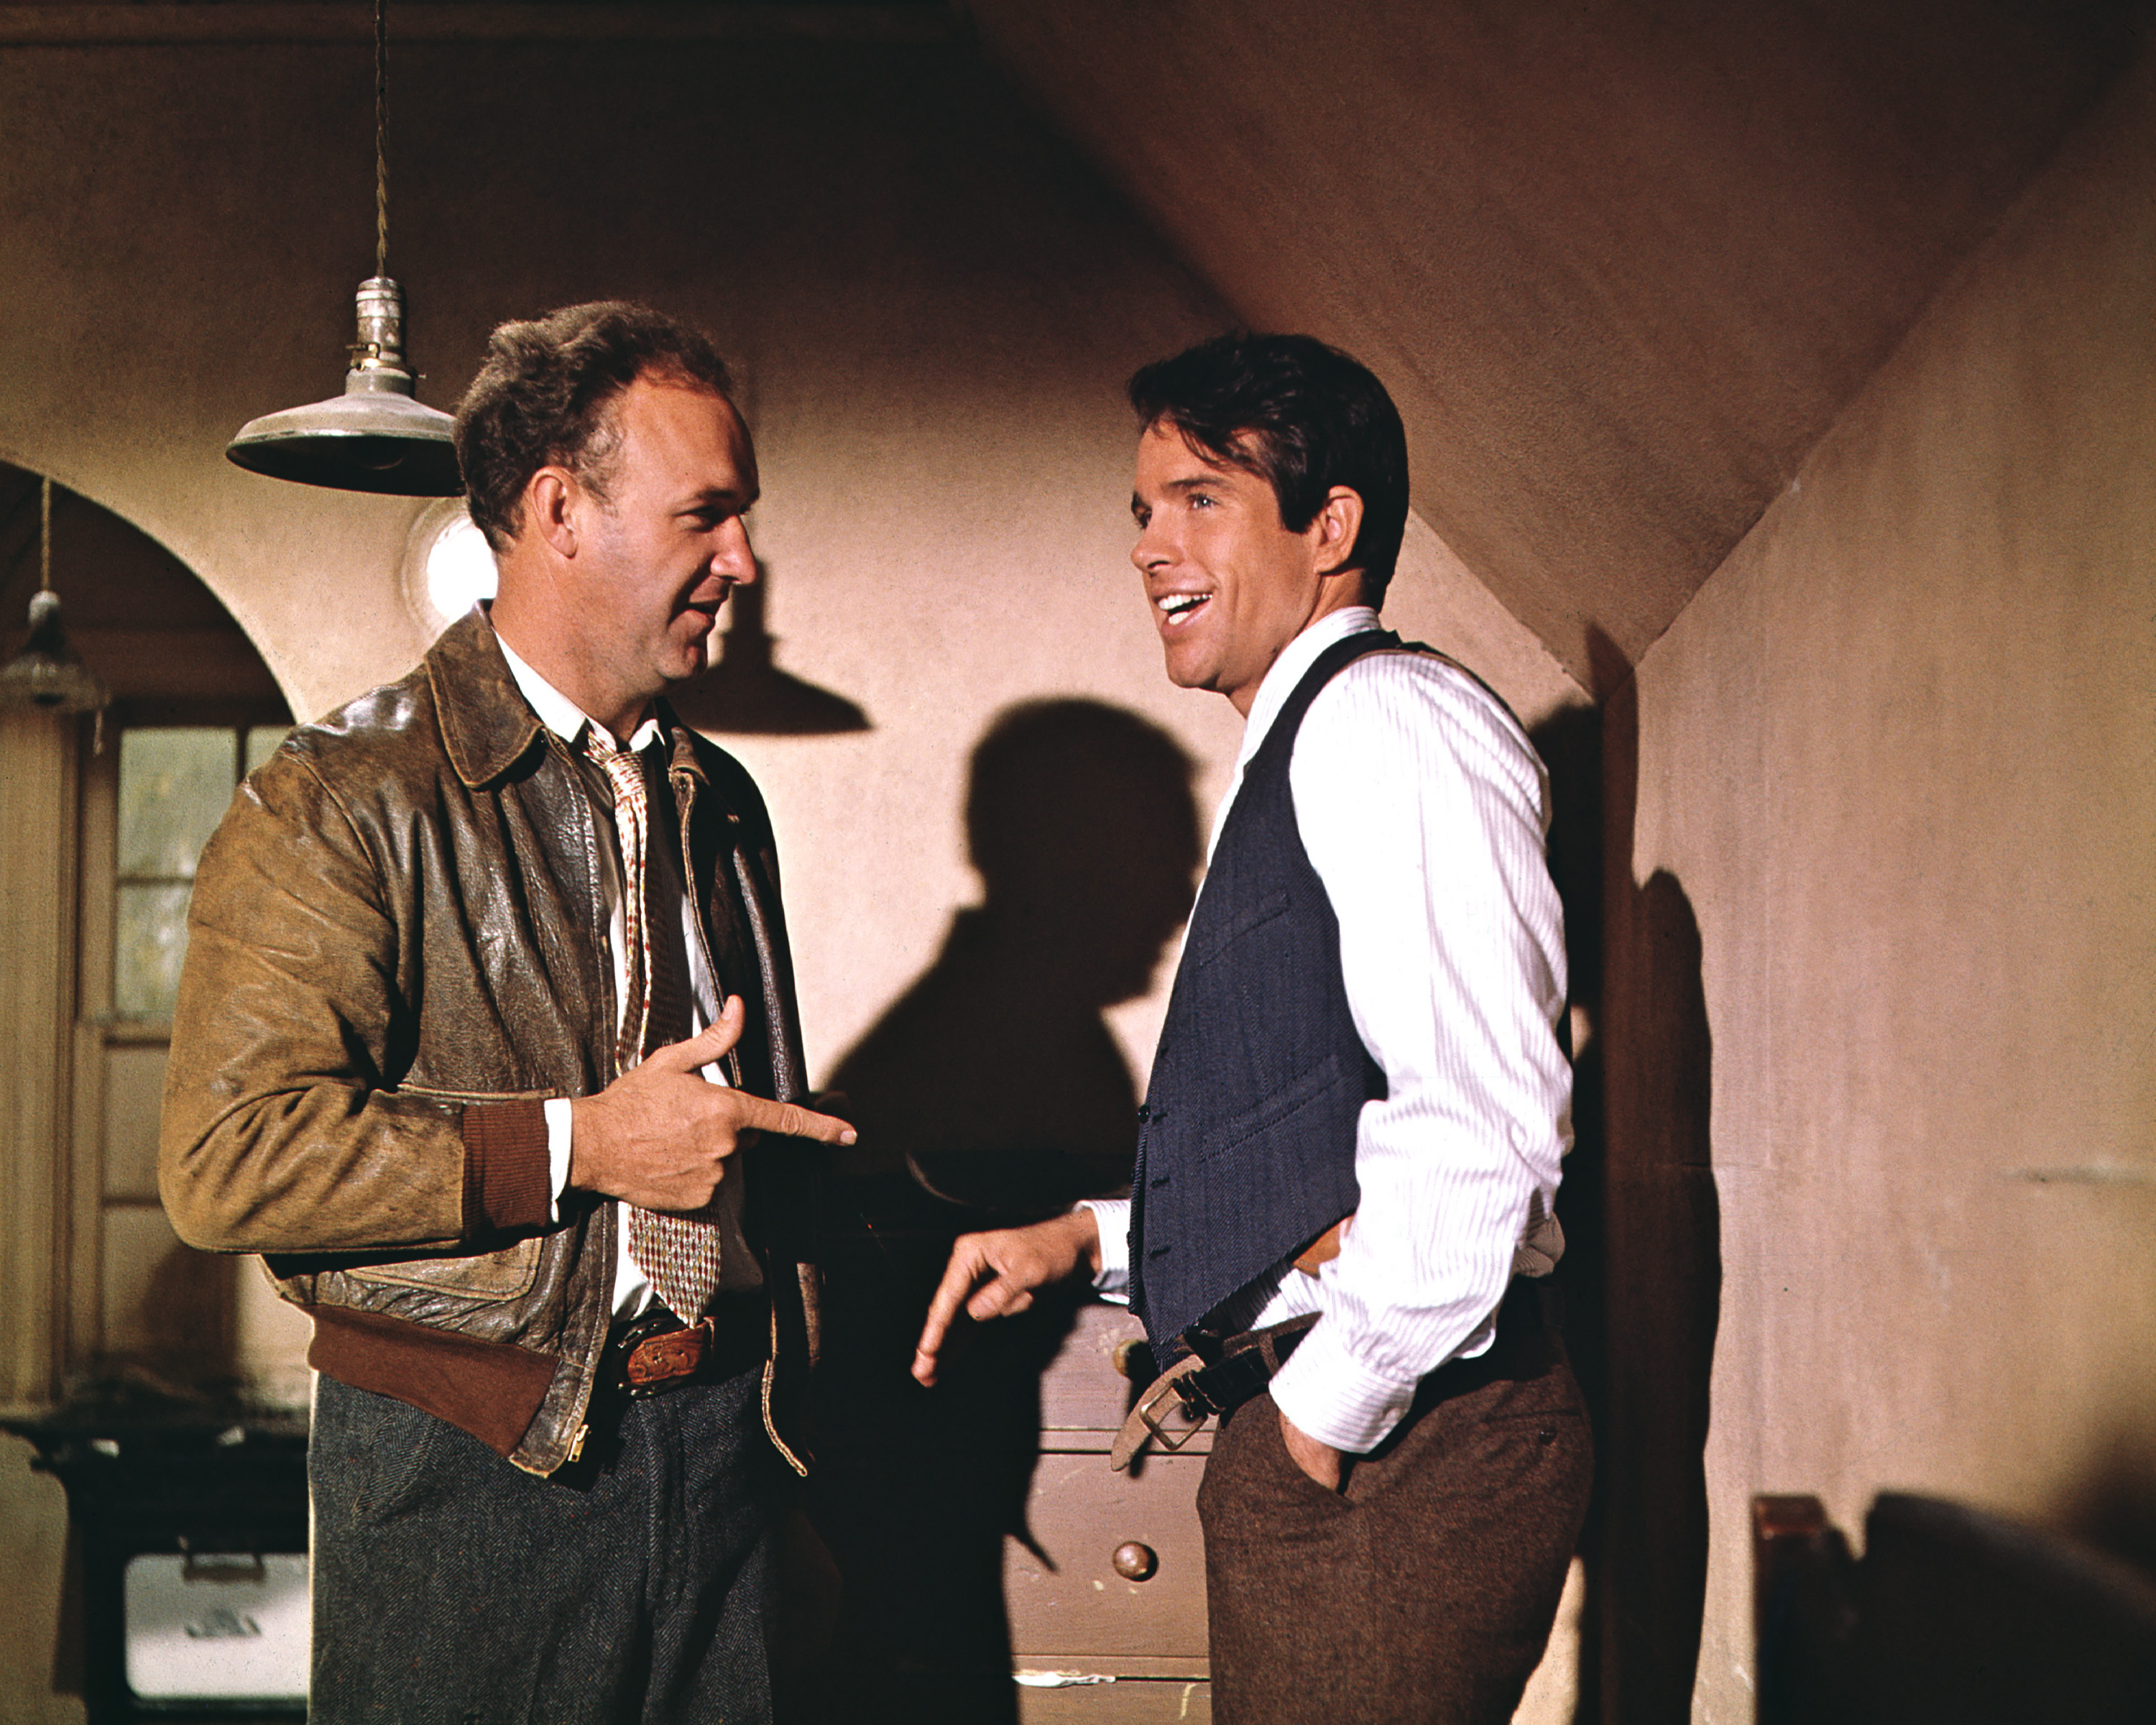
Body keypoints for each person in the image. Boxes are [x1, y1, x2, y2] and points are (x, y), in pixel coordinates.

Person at [160, 301, 855, 1723]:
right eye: (707, 515)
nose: (745, 562)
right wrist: (582, 1148)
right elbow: (229, 1159)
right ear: (560, 512)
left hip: (729, 1461)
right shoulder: (341, 797)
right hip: (467, 1485)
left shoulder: (720, 801)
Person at [912, 332, 1592, 1722]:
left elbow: (1482, 1126)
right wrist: (1095, 1241)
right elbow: (1308, 1122)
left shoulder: (1384, 725)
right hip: (1358, 1445)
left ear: (1330, 525)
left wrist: (1316, 1423)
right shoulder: (1311, 738)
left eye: (1202, 500)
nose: (1155, 545)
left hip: (1403, 1450)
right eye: (1145, 509)